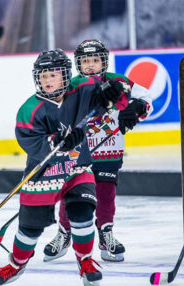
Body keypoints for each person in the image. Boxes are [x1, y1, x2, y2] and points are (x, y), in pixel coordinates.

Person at [0, 49, 129, 286]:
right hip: (44, 173)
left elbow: (118, 94)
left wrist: (114, 94)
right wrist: (58, 141)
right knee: (30, 227)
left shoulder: (83, 87)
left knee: (82, 213)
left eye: (53, 75)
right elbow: (31, 143)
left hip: (78, 167)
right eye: (43, 77)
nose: (48, 81)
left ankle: (85, 261)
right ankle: (17, 263)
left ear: (65, 75)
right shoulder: (29, 109)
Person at [43, 39, 153, 263]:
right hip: (79, 152)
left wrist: (136, 108)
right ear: (78, 64)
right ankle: (65, 232)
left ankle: (105, 233)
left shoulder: (118, 81)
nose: (91, 65)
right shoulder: (73, 85)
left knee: (105, 194)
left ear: (104, 61)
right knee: (71, 192)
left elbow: (145, 98)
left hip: (109, 149)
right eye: (85, 61)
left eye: (95, 60)